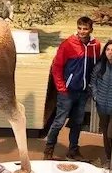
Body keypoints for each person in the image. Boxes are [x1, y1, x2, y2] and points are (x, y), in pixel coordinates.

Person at [43, 16, 101, 160]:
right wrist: (62, 88)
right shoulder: (67, 44)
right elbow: (57, 68)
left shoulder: (96, 45)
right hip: (67, 92)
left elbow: (95, 67)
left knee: (77, 122)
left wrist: (90, 87)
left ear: (91, 29)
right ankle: (48, 150)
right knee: (59, 121)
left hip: (82, 92)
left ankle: (73, 151)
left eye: (85, 29)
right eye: (80, 28)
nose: (82, 31)